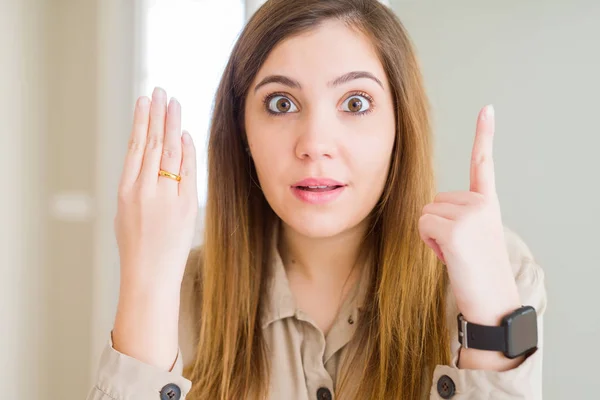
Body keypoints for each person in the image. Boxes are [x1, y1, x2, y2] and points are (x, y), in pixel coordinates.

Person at [87, 0, 546, 399]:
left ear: (399, 126)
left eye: (355, 103)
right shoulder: (185, 294)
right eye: (282, 103)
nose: (315, 143)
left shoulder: (495, 271)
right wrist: (147, 277)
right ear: (242, 131)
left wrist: (489, 321)